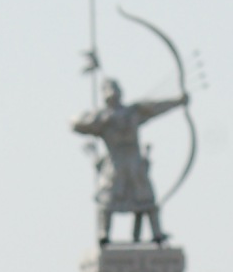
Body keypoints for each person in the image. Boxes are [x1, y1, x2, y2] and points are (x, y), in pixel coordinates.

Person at [72, 76, 188, 245]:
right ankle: (104, 233)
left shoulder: (133, 112)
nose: (113, 93)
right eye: (108, 89)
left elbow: (156, 108)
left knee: (146, 199)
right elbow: (75, 124)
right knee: (107, 200)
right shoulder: (101, 118)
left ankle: (157, 233)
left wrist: (178, 101)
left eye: (115, 89)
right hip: (115, 164)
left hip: (134, 163)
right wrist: (98, 120)